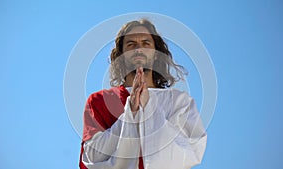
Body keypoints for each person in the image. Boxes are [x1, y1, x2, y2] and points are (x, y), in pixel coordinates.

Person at [79, 19, 207, 169]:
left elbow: (190, 153)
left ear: (157, 54)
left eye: (146, 43)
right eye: (131, 44)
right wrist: (130, 113)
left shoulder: (179, 102)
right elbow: (91, 158)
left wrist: (149, 107)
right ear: (121, 55)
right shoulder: (100, 101)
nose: (139, 49)